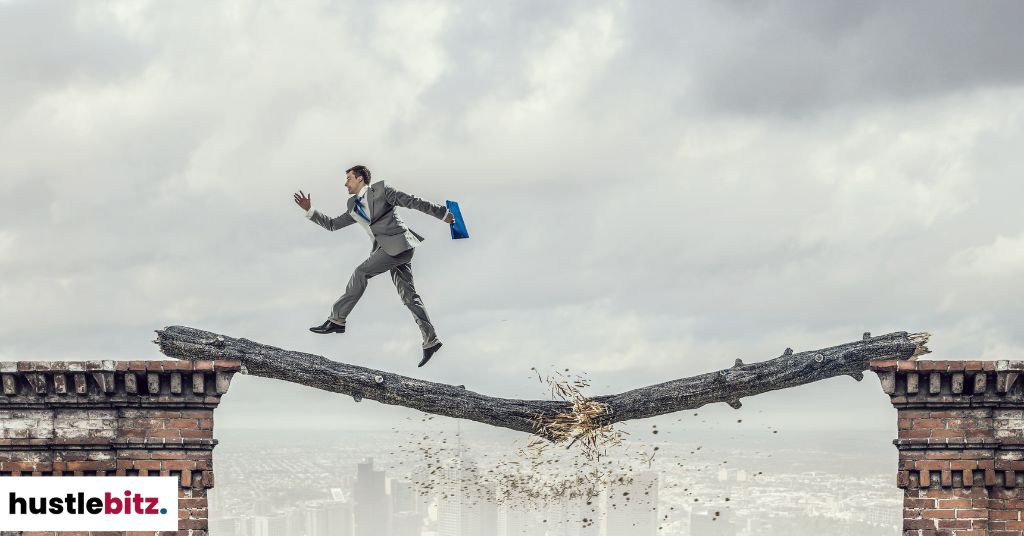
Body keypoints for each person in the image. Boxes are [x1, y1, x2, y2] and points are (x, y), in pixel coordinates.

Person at [293, 165, 454, 367]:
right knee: (408, 295)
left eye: (349, 179)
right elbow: (333, 225)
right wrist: (310, 210)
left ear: (360, 178)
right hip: (387, 250)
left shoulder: (383, 191)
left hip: (399, 245)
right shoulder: (353, 205)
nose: (346, 183)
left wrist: (443, 214)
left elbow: (413, 202)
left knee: (361, 272)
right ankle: (431, 340)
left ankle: (337, 319)